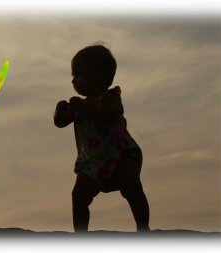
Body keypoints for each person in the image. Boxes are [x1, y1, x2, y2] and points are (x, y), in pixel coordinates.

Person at [53, 44, 150, 232]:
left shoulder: (111, 98)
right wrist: (59, 111)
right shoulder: (79, 105)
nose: (73, 80)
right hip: (93, 162)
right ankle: (81, 234)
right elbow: (60, 122)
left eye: (78, 74)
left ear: (97, 75)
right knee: (79, 196)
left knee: (131, 186)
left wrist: (82, 108)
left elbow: (106, 115)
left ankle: (143, 227)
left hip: (122, 154)